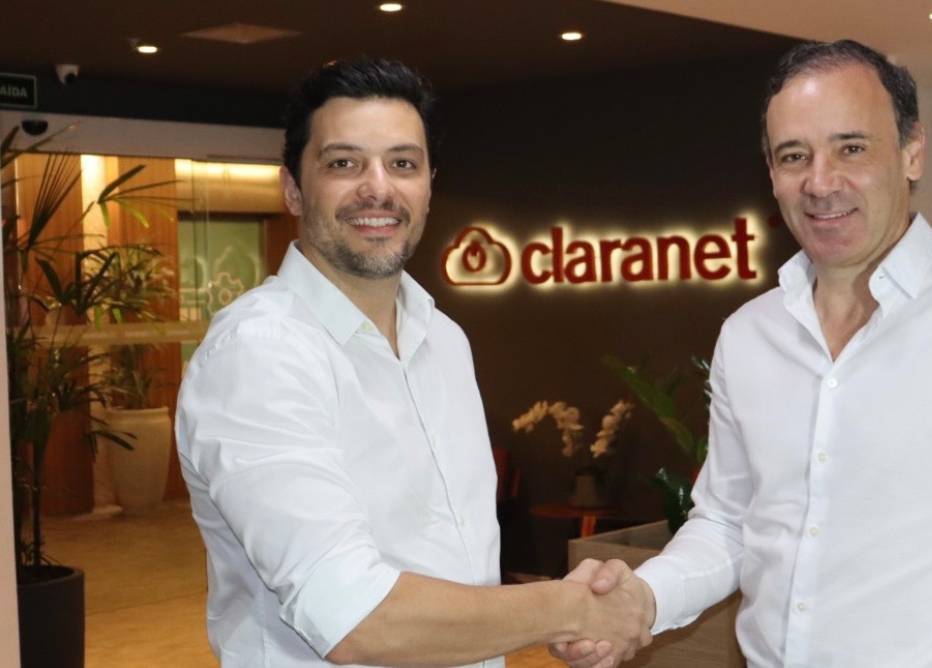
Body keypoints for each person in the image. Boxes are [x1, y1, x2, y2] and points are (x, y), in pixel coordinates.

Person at [557, 39, 932, 667]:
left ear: (912, 152)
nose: (820, 183)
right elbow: (728, 524)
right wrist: (643, 598)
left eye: (851, 148)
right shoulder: (748, 334)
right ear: (772, 174)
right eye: (794, 156)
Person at [176, 57, 650, 667]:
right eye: (344, 163)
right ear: (292, 188)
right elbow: (354, 617)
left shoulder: (443, 339)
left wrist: (546, 617)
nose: (378, 188)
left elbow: (454, 564)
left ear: (429, 185)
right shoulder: (259, 352)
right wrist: (569, 608)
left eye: (403, 164)